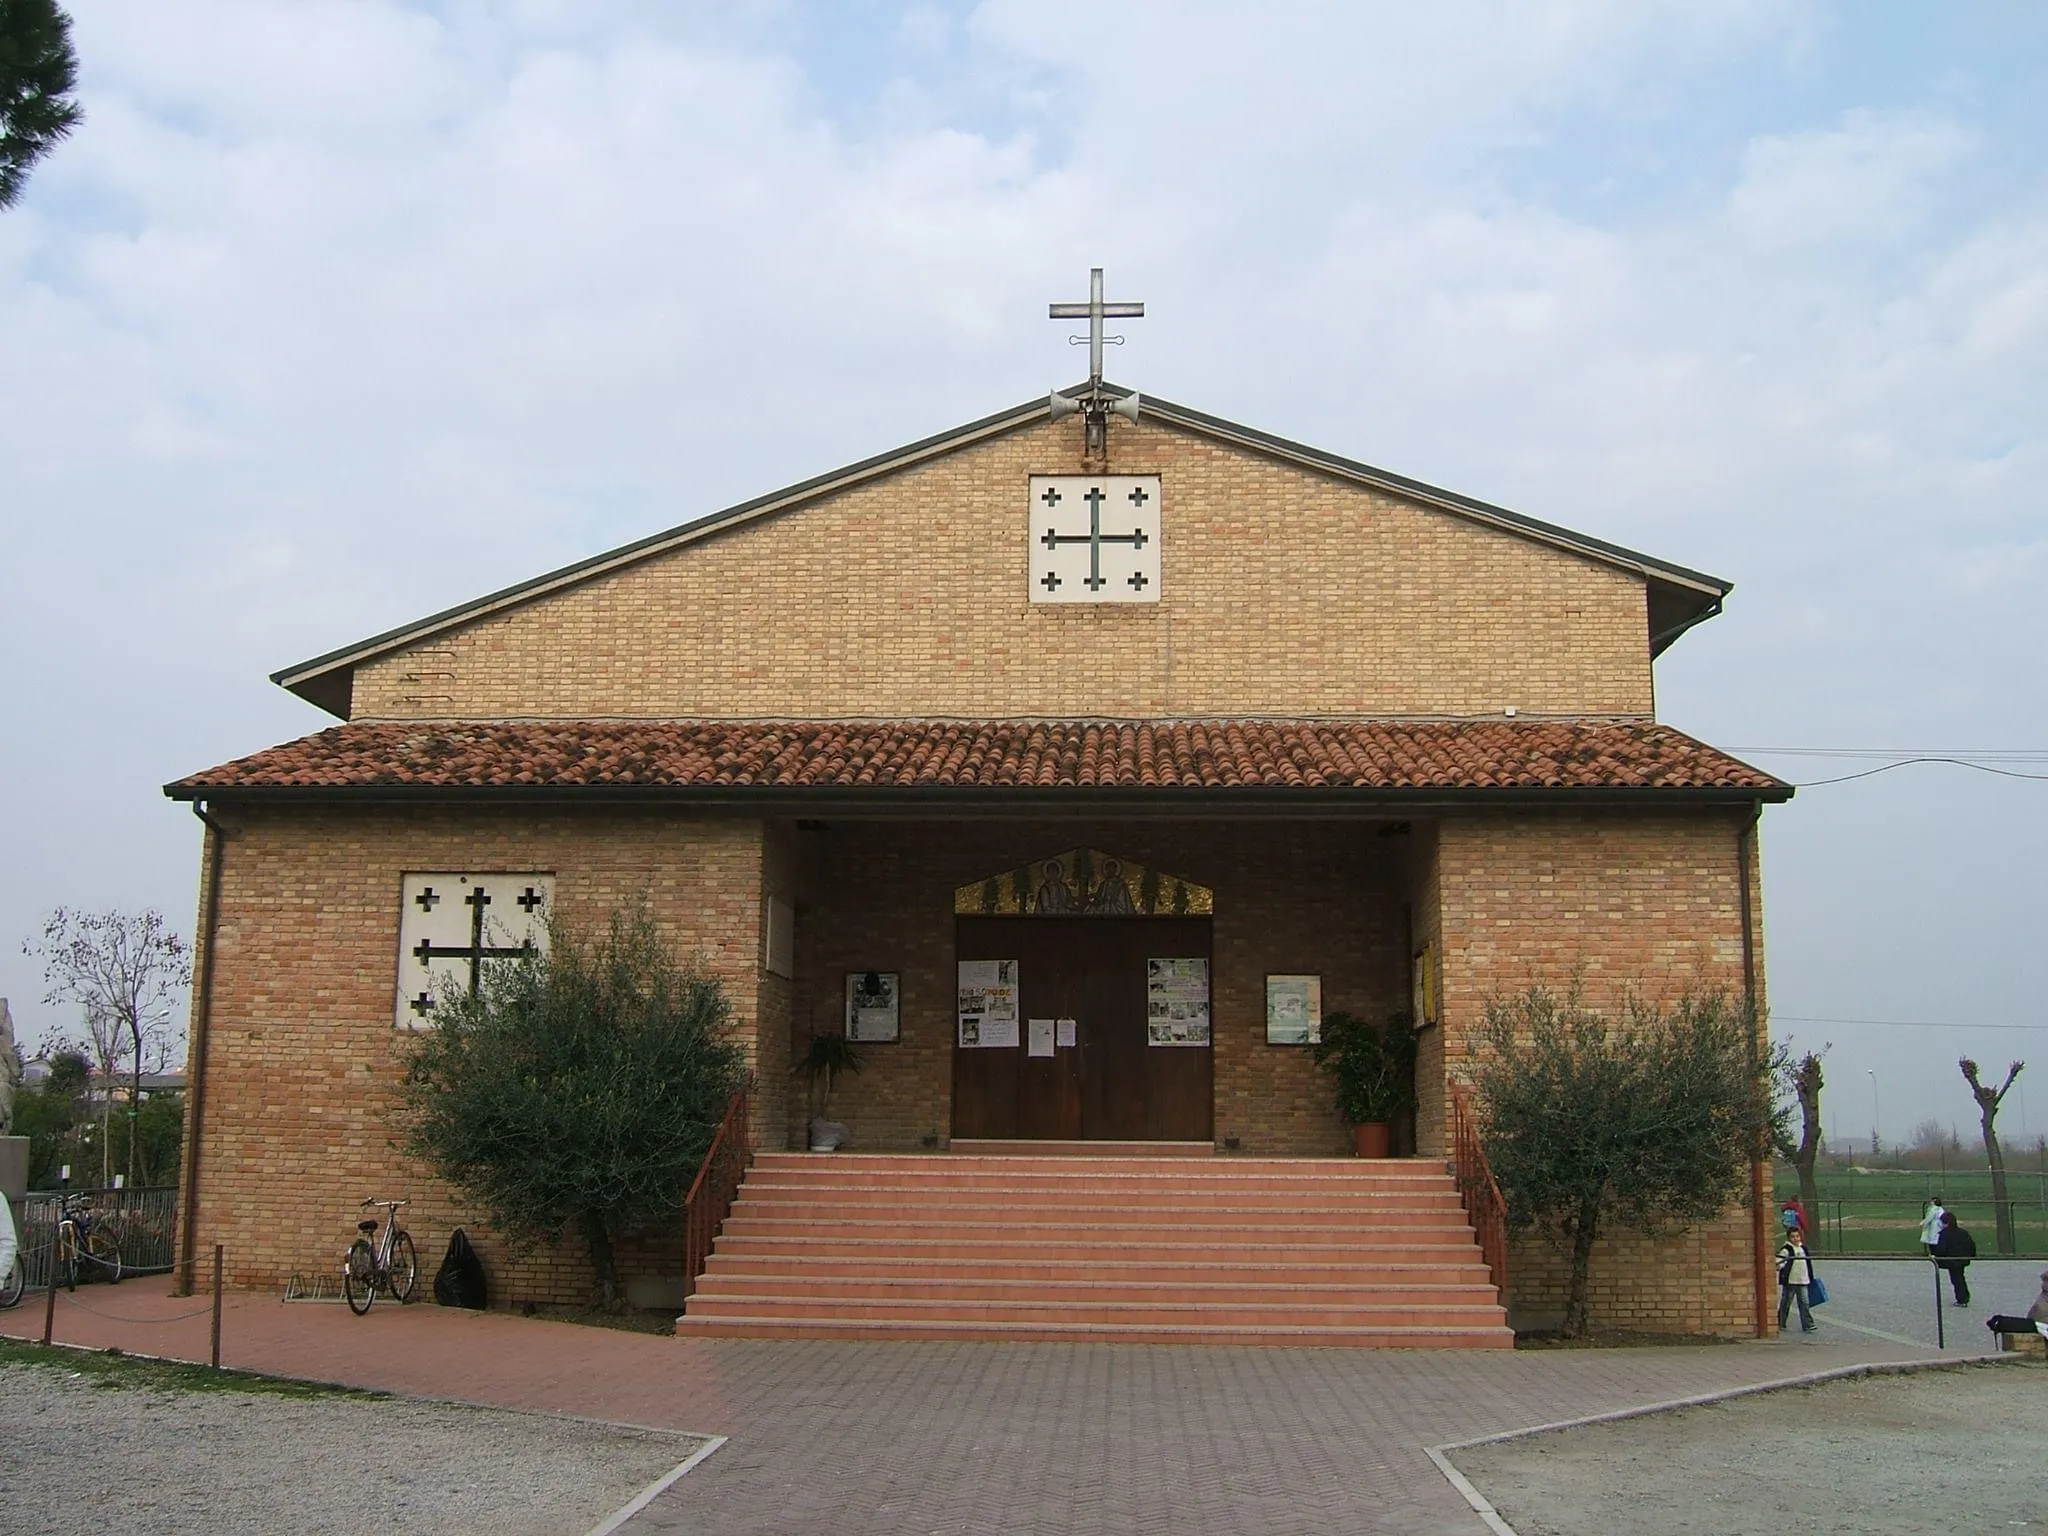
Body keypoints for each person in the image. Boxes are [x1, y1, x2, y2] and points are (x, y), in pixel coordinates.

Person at [1777, 1224, 1818, 1333]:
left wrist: (1810, 1277)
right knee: (1786, 1302)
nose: (1795, 1239)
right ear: (1789, 1238)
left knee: (1804, 1302)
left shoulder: (1803, 1248)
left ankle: (1808, 1324)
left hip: (1803, 1279)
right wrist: (1778, 1266)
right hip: (1791, 1280)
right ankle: (1780, 1322)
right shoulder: (1786, 1250)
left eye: (1797, 1236)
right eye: (1793, 1237)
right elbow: (1780, 1262)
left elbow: (1807, 1264)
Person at [1932, 1210, 1976, 1305]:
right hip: (1962, 1259)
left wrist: (1935, 1254)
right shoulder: (1963, 1232)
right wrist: (1970, 1255)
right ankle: (1964, 1296)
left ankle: (1962, 1299)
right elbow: (1971, 1246)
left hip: (1952, 1260)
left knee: (1956, 1279)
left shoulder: (1944, 1234)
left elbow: (1941, 1250)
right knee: (1960, 1277)